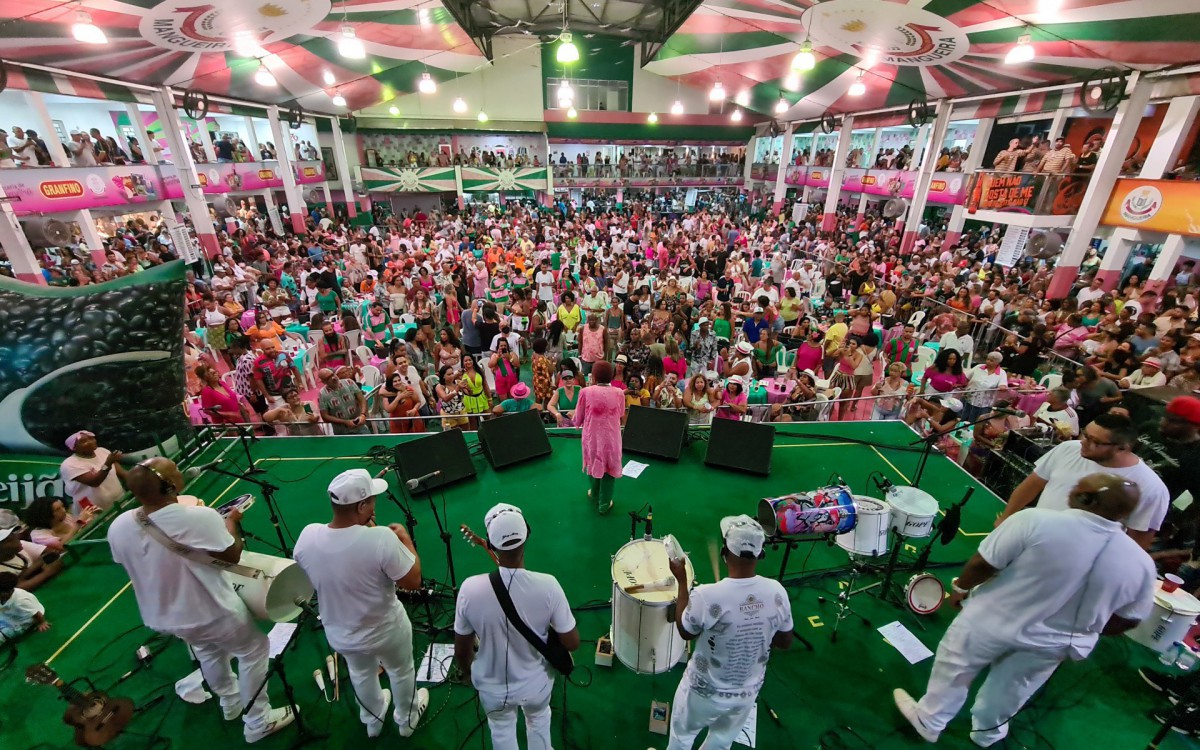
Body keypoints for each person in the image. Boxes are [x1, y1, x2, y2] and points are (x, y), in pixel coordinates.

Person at [894, 473, 1153, 748]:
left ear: (1085, 498)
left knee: (955, 667)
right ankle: (987, 733)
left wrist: (961, 588)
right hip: (1053, 644)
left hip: (989, 621)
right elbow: (1129, 618)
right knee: (1012, 689)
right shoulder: (1141, 564)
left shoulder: (1035, 520)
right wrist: (1087, 629)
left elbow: (984, 563)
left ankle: (930, 720)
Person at [107, 458, 294, 742]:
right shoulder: (198, 517)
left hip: (167, 615)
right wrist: (231, 524)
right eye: (175, 471)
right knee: (254, 649)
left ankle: (230, 703)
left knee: (208, 652)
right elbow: (231, 556)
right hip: (211, 610)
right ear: (170, 485)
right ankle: (258, 720)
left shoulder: (119, 526)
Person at [294, 470, 429, 738]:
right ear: (361, 506)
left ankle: (372, 720)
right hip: (387, 630)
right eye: (372, 500)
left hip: (341, 634)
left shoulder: (307, 536)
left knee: (360, 673)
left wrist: (364, 532)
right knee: (402, 671)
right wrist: (404, 539)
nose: (375, 504)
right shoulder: (380, 538)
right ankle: (407, 720)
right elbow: (413, 581)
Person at [453, 503, 580, 750]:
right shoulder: (549, 585)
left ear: (489, 544)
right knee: (539, 721)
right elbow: (572, 642)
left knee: (501, 732)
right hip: (536, 685)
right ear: (527, 536)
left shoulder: (469, 588)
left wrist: (467, 672)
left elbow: (462, 649)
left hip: (491, 688)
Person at [664, 515, 794, 750]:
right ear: (760, 554)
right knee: (721, 743)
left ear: (725, 553)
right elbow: (785, 641)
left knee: (682, 736)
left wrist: (681, 581)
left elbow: (685, 630)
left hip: (702, 693)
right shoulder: (777, 592)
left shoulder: (708, 595)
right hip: (745, 695)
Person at [997, 413, 1169, 549]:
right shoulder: (1067, 449)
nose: (1083, 443)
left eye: (1094, 441)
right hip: (1030, 539)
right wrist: (1006, 518)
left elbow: (1137, 543)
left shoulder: (1150, 487)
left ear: (1122, 447)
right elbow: (1032, 485)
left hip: (1077, 562)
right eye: (1085, 434)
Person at [576, 360, 625, 514]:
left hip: (592, 438)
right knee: (609, 468)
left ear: (594, 376)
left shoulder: (585, 391)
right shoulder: (619, 393)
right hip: (612, 438)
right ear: (611, 376)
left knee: (593, 462)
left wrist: (574, 419)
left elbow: (579, 417)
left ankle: (595, 493)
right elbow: (621, 413)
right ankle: (604, 504)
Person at [59, 430, 126, 517]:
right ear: (74, 448)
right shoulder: (69, 464)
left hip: (120, 503)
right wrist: (108, 463)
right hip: (94, 514)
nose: (91, 442)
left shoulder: (102, 451)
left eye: (91, 438)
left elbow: (122, 473)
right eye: (84, 441)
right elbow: (94, 482)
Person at [22, 496, 96, 549]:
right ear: (46, 514)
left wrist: (92, 516)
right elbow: (63, 546)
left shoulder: (65, 517)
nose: (63, 510)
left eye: (62, 506)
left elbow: (81, 531)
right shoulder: (38, 534)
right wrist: (79, 523)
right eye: (58, 509)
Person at [318, 367, 370, 435]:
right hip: (341, 431)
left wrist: (363, 415)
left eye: (333, 374)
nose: (333, 378)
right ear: (324, 382)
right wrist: (345, 422)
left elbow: (362, 399)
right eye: (328, 378)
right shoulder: (322, 394)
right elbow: (325, 416)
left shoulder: (349, 382)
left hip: (359, 425)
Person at [0, 572, 50, 638]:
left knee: (5, 633)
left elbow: (36, 613)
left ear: (8, 591)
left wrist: (42, 622)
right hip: (9, 614)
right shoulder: (5, 596)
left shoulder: (20, 602)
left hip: (21, 623)